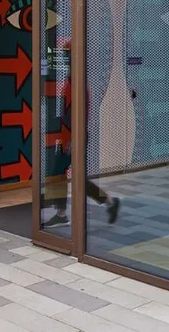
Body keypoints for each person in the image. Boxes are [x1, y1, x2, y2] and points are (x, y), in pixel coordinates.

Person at [44, 74, 120, 229]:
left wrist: (73, 138)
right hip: (69, 136)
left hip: (74, 137)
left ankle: (62, 214)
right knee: (67, 176)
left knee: (60, 174)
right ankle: (108, 203)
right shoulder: (72, 81)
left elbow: (80, 113)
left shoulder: (79, 84)